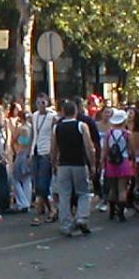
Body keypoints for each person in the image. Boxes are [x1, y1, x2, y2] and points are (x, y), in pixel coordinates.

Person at [50, 99, 96, 236]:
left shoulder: (56, 127)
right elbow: (89, 147)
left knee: (64, 194)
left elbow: (53, 148)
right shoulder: (81, 126)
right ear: (76, 111)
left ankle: (66, 223)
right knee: (83, 192)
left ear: (63, 112)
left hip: (63, 164)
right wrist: (92, 164)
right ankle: (82, 217)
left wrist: (53, 163)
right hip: (79, 163)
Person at [29, 94, 57, 225]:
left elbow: (54, 134)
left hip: (46, 151)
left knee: (42, 183)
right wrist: (29, 152)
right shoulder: (34, 116)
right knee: (37, 184)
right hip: (35, 151)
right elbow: (33, 134)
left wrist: (53, 153)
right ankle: (51, 209)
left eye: (43, 103)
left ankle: (39, 214)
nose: (40, 105)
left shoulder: (52, 117)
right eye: (38, 103)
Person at [102, 109, 134, 221]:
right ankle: (121, 213)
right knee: (122, 189)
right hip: (123, 161)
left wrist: (102, 162)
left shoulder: (108, 134)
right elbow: (131, 150)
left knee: (112, 188)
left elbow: (105, 150)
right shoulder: (127, 134)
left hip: (111, 162)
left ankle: (111, 211)